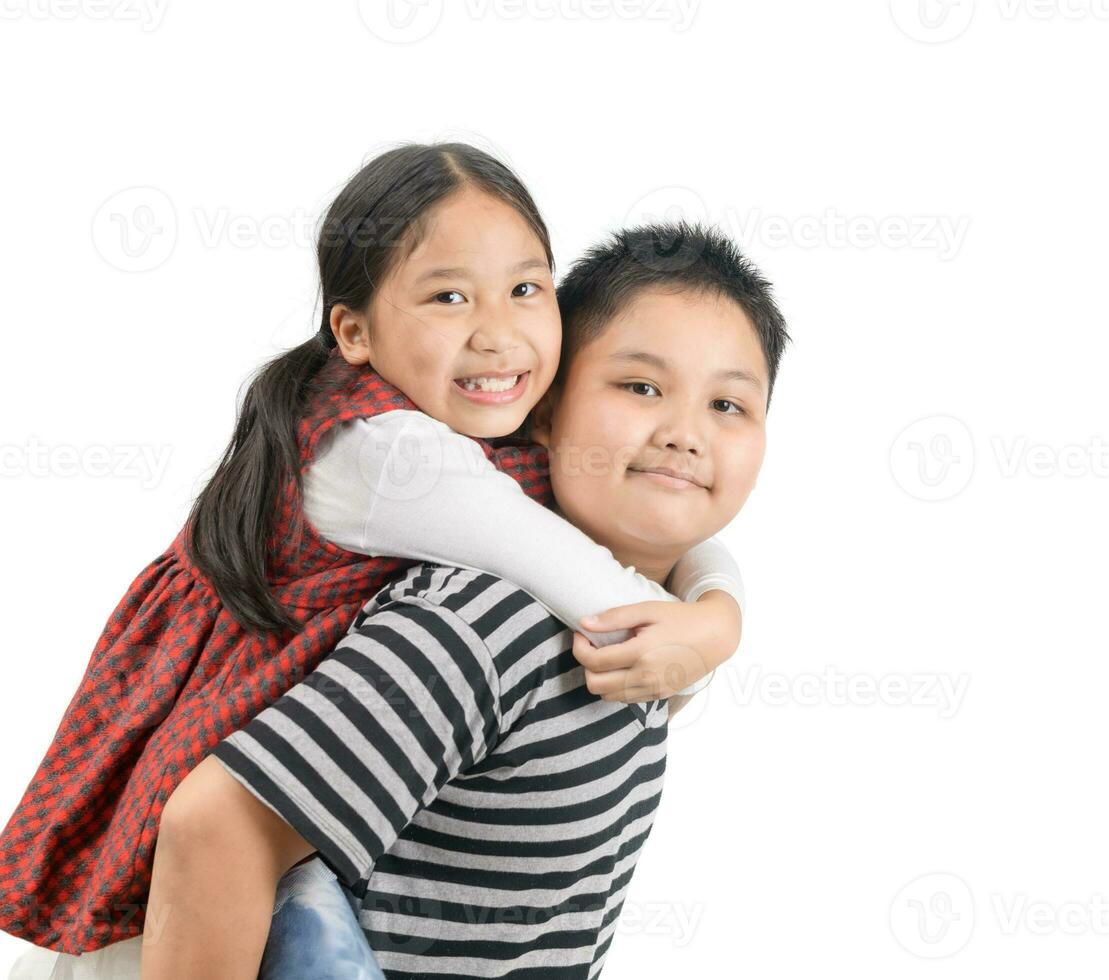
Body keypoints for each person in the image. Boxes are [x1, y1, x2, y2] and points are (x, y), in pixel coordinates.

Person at [0, 145, 746, 971]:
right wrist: (706, 640)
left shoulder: (480, 448)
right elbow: (604, 600)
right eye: (448, 296)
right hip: (198, 913)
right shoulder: (402, 463)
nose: (498, 333)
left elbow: (630, 525)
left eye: (525, 289)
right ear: (354, 332)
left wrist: (718, 603)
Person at [138, 222, 789, 978]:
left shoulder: (653, 626)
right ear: (545, 408)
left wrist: (716, 616)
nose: (684, 434)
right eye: (640, 387)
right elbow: (214, 827)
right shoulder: (486, 623)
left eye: (728, 406)